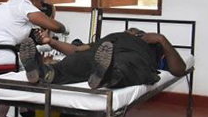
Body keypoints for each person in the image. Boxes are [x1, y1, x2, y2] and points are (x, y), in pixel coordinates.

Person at [19, 28, 188, 89]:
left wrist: (161, 39)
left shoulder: (152, 45)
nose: (131, 31)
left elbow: (179, 69)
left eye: (136, 31)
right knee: (77, 60)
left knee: (125, 65)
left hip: (132, 57)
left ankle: (107, 76)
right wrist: (51, 42)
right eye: (129, 30)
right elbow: (75, 49)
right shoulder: (110, 39)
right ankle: (45, 72)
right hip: (99, 54)